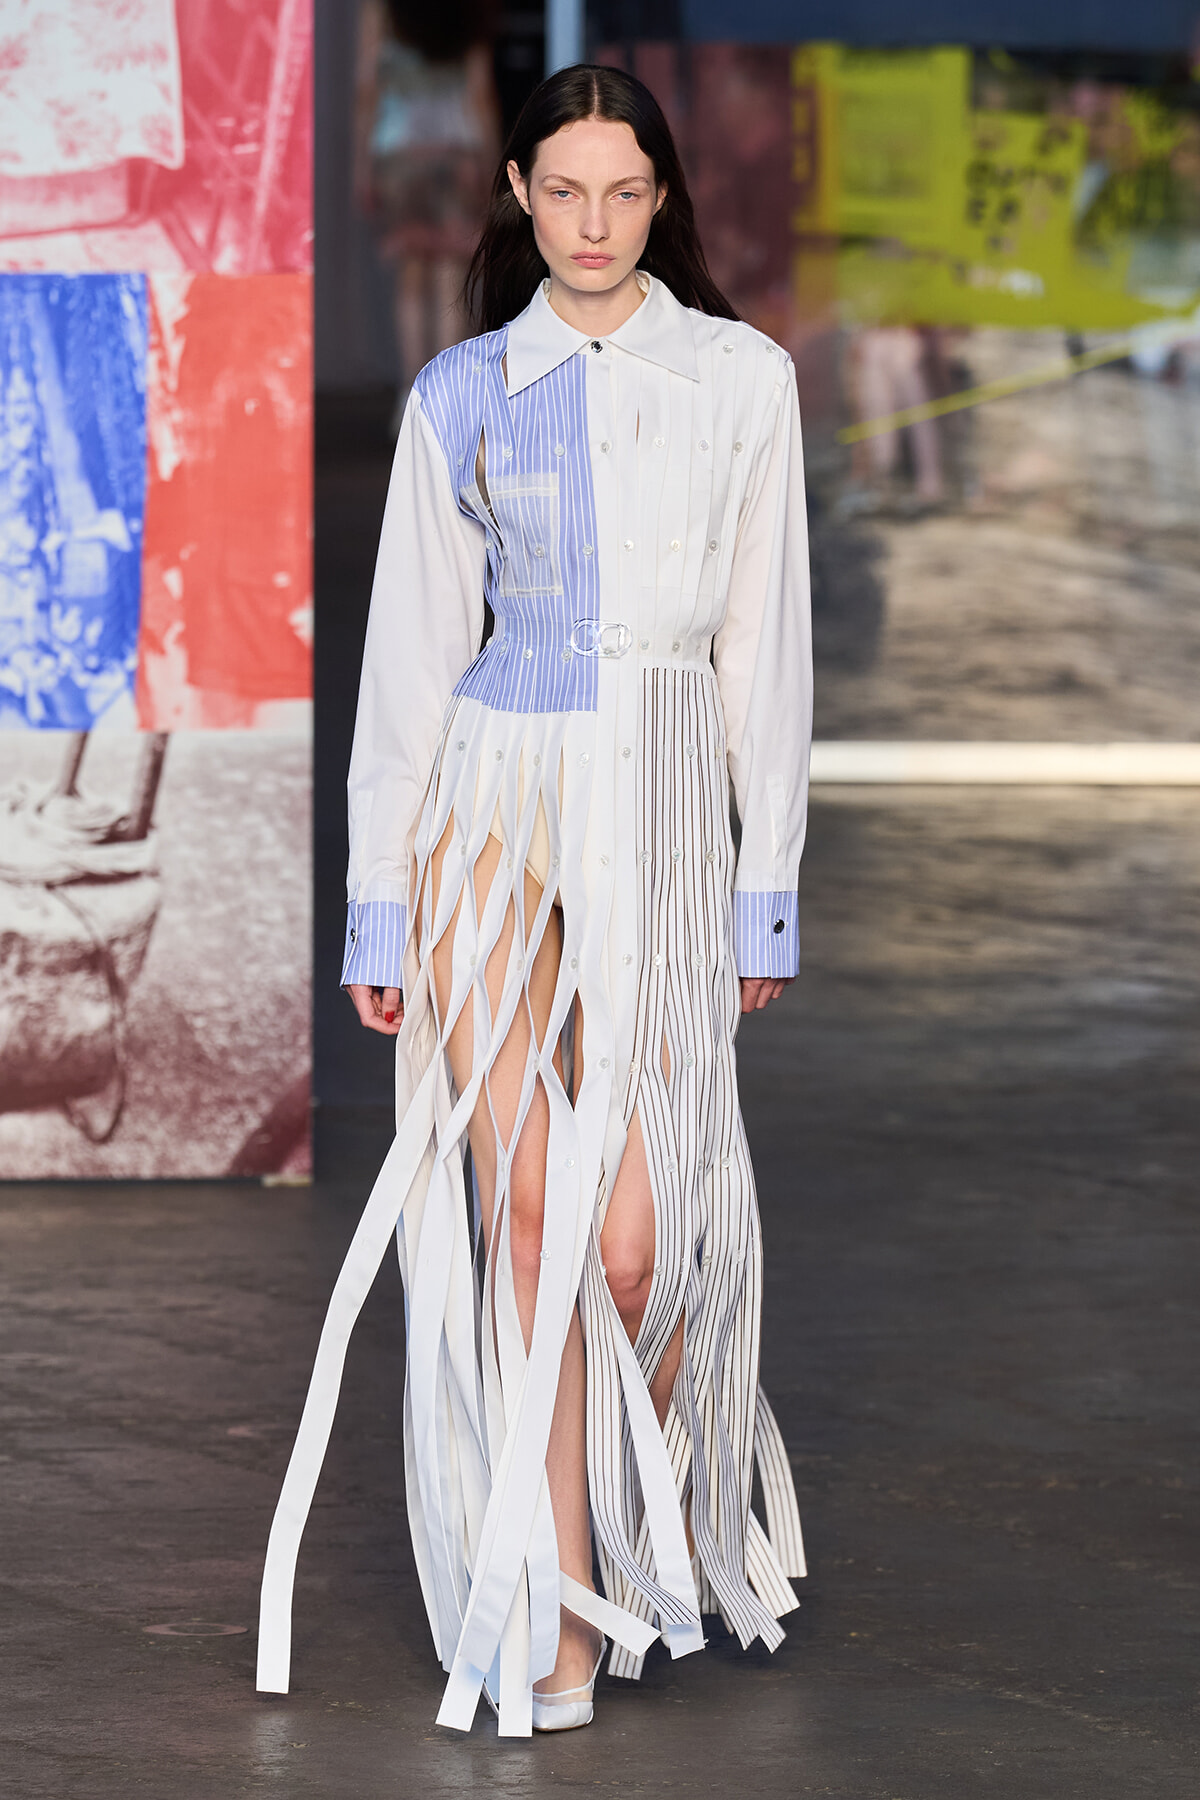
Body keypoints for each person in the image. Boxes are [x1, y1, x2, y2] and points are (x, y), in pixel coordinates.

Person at [258, 64, 813, 1738]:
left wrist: (762, 887)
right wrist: (377, 909)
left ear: (661, 202)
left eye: (621, 193)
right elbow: (412, 671)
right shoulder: (459, 393)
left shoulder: (741, 381)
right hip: (488, 817)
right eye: (560, 191)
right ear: (514, 192)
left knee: (632, 1251)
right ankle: (552, 1608)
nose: (589, 222)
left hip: (653, 821)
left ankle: (631, 1529)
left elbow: (761, 651)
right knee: (523, 1219)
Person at [354, 0, 500, 428]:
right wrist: (493, 166)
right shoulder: (470, 11)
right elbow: (480, 94)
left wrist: (362, 166)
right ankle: (449, 402)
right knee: (451, 279)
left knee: (411, 279)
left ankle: (411, 401)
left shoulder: (378, 10)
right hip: (460, 156)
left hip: (399, 154)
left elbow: (367, 88)